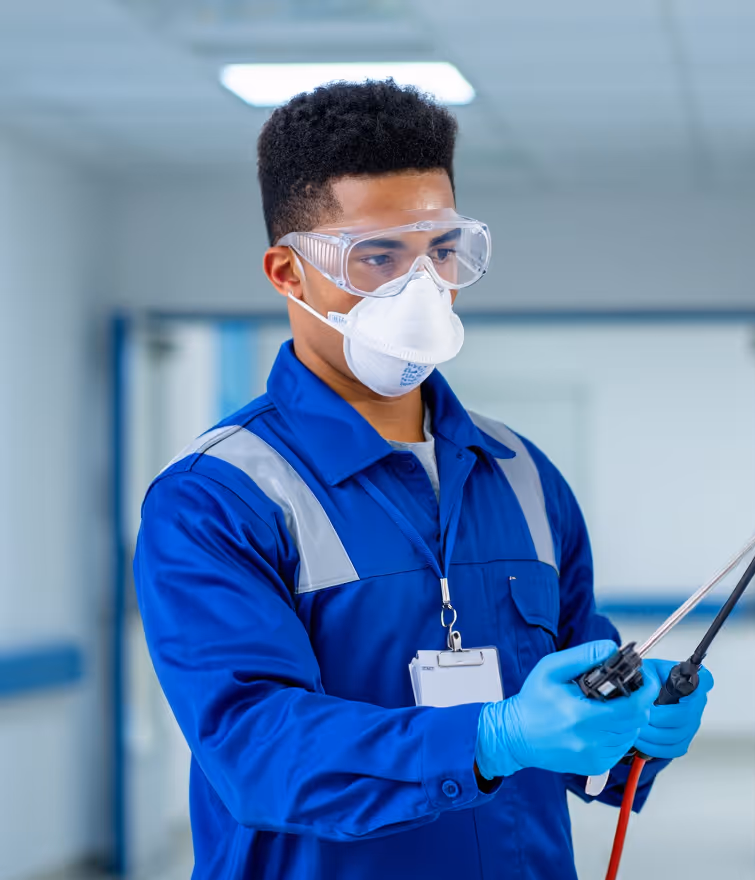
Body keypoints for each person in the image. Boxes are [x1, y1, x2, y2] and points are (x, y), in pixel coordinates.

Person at [134, 79, 713, 880]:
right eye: (378, 257)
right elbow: (256, 750)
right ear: (289, 273)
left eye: (441, 250)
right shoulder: (215, 498)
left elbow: (576, 709)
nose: (421, 286)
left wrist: (634, 726)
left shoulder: (520, 475)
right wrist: (491, 737)